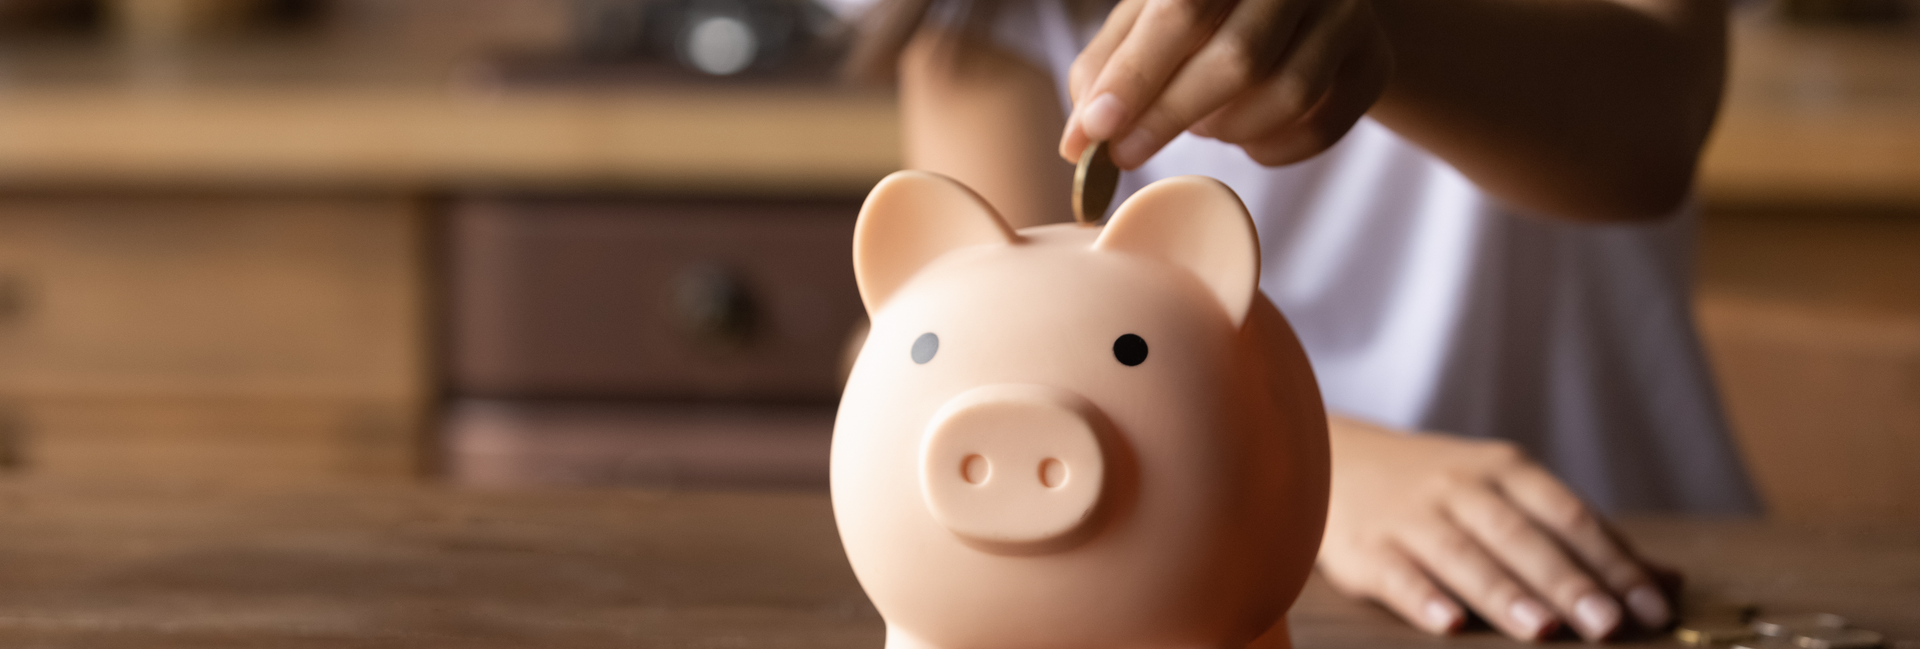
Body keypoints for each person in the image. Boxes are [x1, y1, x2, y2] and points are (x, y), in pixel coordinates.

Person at [838, 0, 1762, 642]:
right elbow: (957, 346)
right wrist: (1319, 471)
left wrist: (1382, 24)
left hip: (1609, 549)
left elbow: (1654, 120)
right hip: (1198, 554)